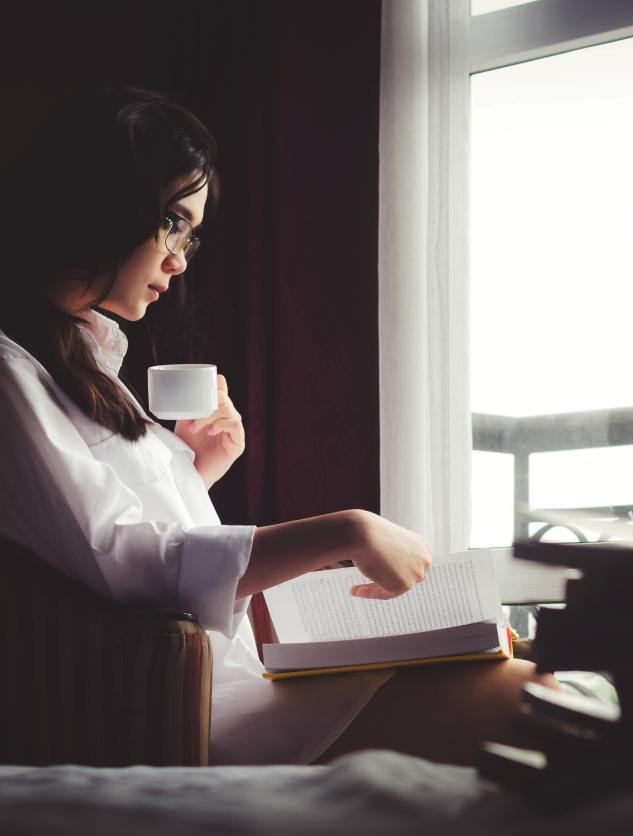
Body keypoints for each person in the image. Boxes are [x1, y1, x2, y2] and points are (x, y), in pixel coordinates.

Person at [0, 86, 552, 767]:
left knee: (532, 686)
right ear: (102, 200)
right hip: (189, 706)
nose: (179, 258)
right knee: (534, 701)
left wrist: (194, 471)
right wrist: (346, 530)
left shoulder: (84, 366)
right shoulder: (11, 374)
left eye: (189, 235)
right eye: (171, 221)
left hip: (221, 679)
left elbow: (92, 536)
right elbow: (124, 560)